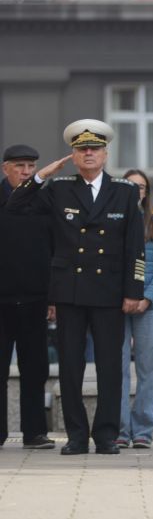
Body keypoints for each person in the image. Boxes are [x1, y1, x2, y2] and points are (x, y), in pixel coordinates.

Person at [5, 120, 145, 456]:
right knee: (70, 366)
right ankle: (78, 435)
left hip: (110, 291)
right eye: (82, 150)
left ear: (105, 154)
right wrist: (40, 177)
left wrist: (134, 291)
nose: (88, 154)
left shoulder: (124, 192)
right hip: (70, 290)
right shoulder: (59, 188)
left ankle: (107, 435)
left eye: (94, 149)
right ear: (73, 155)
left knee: (112, 366)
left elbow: (135, 247)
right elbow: (15, 206)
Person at [0, 144, 54, 450]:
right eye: (19, 166)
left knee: (36, 369)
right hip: (1, 299)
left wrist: (53, 298)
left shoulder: (44, 200)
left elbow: (55, 248)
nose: (26, 172)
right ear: (5, 168)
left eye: (31, 167)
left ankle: (34, 432)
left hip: (35, 298)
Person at [117, 169, 153, 449]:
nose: (137, 190)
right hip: (116, 306)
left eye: (141, 187)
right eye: (131, 185)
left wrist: (147, 298)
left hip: (150, 308)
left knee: (148, 369)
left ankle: (143, 430)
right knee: (117, 369)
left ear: (147, 192)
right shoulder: (112, 221)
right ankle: (120, 429)